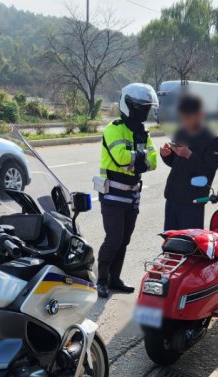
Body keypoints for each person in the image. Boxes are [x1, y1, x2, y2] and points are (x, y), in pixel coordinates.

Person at [96, 83, 159, 298]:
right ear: (128, 105)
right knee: (113, 239)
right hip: (112, 194)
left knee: (124, 240)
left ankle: (115, 279)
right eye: (140, 107)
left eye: (146, 107)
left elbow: (153, 162)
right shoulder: (113, 129)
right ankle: (101, 280)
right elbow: (120, 158)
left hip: (132, 196)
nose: (143, 111)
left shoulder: (143, 133)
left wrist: (137, 160)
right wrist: (139, 160)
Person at [160, 94, 218, 230]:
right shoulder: (181, 133)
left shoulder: (213, 141)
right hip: (172, 197)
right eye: (182, 118)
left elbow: (208, 170)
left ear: (200, 115)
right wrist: (166, 155)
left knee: (190, 244)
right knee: (170, 242)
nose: (184, 122)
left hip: (193, 201)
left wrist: (189, 155)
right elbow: (176, 163)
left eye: (188, 118)